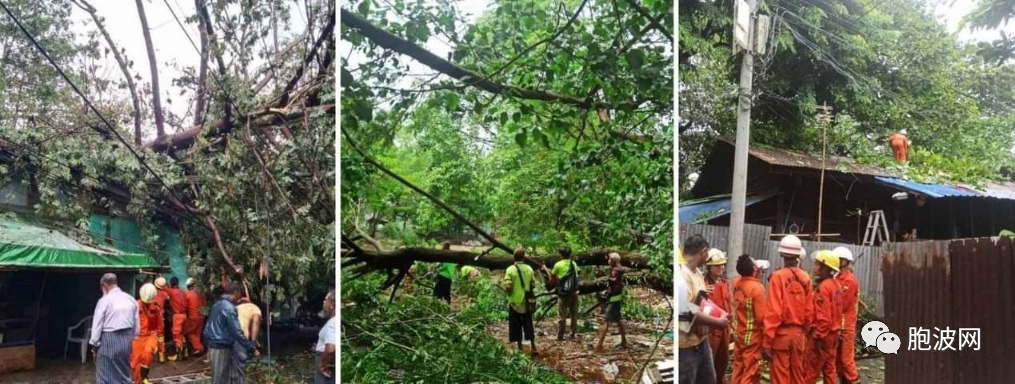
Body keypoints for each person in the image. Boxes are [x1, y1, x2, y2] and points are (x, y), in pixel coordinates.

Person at [762, 235, 813, 384]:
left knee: (780, 378)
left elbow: (774, 312)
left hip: (781, 335)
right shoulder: (806, 278)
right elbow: (809, 311)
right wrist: (805, 333)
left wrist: (767, 341)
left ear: (782, 254)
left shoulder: (777, 277)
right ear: (798, 255)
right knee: (797, 377)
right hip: (799, 336)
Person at [678, 236, 727, 384]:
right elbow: (688, 311)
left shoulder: (697, 273)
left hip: (701, 340)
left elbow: (703, 299)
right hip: (685, 345)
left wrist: (721, 311)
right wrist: (718, 321)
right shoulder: (682, 275)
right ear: (703, 252)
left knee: (708, 379)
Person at [204, 282, 257, 384]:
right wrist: (250, 346)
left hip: (214, 345)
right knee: (219, 379)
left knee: (222, 378)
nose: (239, 297)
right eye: (239, 294)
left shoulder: (217, 304)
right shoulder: (229, 307)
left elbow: (208, 326)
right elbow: (236, 331)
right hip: (220, 346)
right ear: (235, 292)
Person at [90, 273, 138, 384]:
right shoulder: (130, 299)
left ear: (104, 285)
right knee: (124, 374)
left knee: (104, 375)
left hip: (108, 339)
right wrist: (129, 338)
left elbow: (97, 325)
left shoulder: (104, 301)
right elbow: (136, 328)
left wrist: (94, 344)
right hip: (127, 341)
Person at [806, 250, 844, 384]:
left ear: (825, 267)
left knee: (810, 371)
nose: (814, 267)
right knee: (829, 370)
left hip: (823, 336)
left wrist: (818, 336)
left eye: (817, 264)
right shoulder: (837, 285)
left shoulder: (824, 288)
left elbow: (824, 318)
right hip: (834, 334)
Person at [731, 255, 769, 384]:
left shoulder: (737, 283)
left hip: (739, 334)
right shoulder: (757, 289)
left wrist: (754, 272)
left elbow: (747, 281)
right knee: (750, 371)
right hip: (752, 337)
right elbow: (761, 318)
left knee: (738, 367)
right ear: (754, 268)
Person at [501, 247, 541, 355]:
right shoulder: (529, 268)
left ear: (514, 257)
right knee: (528, 324)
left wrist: (507, 290)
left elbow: (508, 286)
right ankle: (533, 347)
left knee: (516, 325)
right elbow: (533, 284)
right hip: (527, 302)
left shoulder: (510, 269)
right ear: (524, 257)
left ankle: (520, 348)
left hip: (515, 302)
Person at [833, 247, 861, 384]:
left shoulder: (850, 281)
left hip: (846, 326)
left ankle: (854, 380)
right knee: (838, 360)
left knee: (846, 360)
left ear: (844, 261)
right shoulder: (837, 278)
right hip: (838, 325)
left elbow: (842, 304)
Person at [705, 249, 732, 384]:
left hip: (725, 328)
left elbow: (728, 306)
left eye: (722, 265)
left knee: (723, 362)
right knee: (710, 362)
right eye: (717, 265)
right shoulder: (704, 284)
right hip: (711, 330)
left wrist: (730, 327)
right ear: (709, 267)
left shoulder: (725, 283)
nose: (721, 268)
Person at [595, 252, 629, 352]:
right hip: (617, 298)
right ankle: (624, 341)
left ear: (613, 260)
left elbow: (615, 285)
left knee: (606, 321)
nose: (608, 261)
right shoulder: (621, 268)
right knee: (618, 320)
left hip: (614, 299)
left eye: (609, 259)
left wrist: (608, 292)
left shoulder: (615, 271)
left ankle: (599, 345)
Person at [131, 283, 162, 384]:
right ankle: (138, 381)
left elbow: (160, 326)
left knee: (147, 353)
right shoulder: (134, 306)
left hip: (150, 335)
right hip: (137, 337)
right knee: (135, 363)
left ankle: (144, 377)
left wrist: (161, 347)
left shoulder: (156, 308)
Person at [549, 247, 580, 341]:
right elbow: (578, 273)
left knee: (562, 315)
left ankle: (560, 335)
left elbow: (552, 279)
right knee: (573, 314)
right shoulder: (573, 263)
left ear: (561, 255)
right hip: (574, 292)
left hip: (563, 294)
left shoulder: (558, 265)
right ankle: (573, 333)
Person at [314, 289, 337, 384]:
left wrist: (323, 365)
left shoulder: (333, 323)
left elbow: (331, 348)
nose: (323, 302)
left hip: (325, 359)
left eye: (326, 300)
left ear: (332, 305)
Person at [167, 277, 189, 360]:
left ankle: (179, 355)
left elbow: (163, 288)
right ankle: (185, 352)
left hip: (177, 316)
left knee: (177, 335)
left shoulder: (171, 292)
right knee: (182, 334)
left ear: (171, 283)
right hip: (184, 315)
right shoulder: (183, 292)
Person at [184, 278, 206, 356]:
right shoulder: (201, 293)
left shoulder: (188, 294)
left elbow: (185, 306)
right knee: (197, 333)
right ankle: (196, 348)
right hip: (201, 316)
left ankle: (199, 348)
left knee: (190, 332)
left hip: (193, 316)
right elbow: (204, 303)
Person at [153, 277, 172, 363]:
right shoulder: (165, 294)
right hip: (161, 316)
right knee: (161, 336)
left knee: (151, 334)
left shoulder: (152, 293)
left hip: (152, 315)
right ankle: (161, 356)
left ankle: (152, 352)